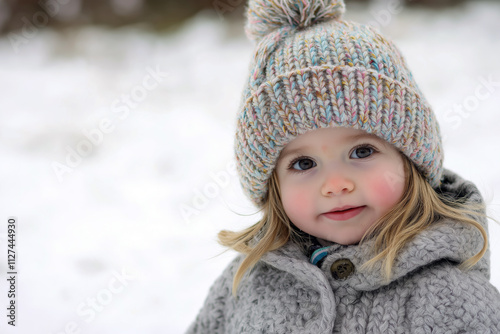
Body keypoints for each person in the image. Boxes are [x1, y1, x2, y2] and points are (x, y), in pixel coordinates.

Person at [186, 0, 500, 332]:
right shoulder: (245, 283)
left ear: (411, 161)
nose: (335, 184)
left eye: (362, 151)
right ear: (272, 185)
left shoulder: (451, 299)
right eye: (304, 163)